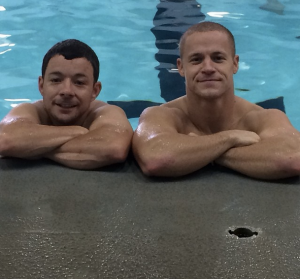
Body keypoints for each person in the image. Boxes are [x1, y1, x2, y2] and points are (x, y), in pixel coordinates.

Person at [132, 21, 300, 180]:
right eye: (196, 59)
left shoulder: (264, 117)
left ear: (235, 64)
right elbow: (156, 159)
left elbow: (292, 158)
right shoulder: (161, 114)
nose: (208, 68)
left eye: (218, 58)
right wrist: (229, 139)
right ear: (181, 67)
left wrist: (200, 151)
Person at [0, 39, 133, 169]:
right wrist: (78, 132)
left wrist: (30, 148)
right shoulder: (31, 110)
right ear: (41, 86)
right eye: (56, 80)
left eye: (79, 82)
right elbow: (5, 140)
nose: (66, 91)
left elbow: (114, 148)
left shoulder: (105, 112)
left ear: (94, 90)